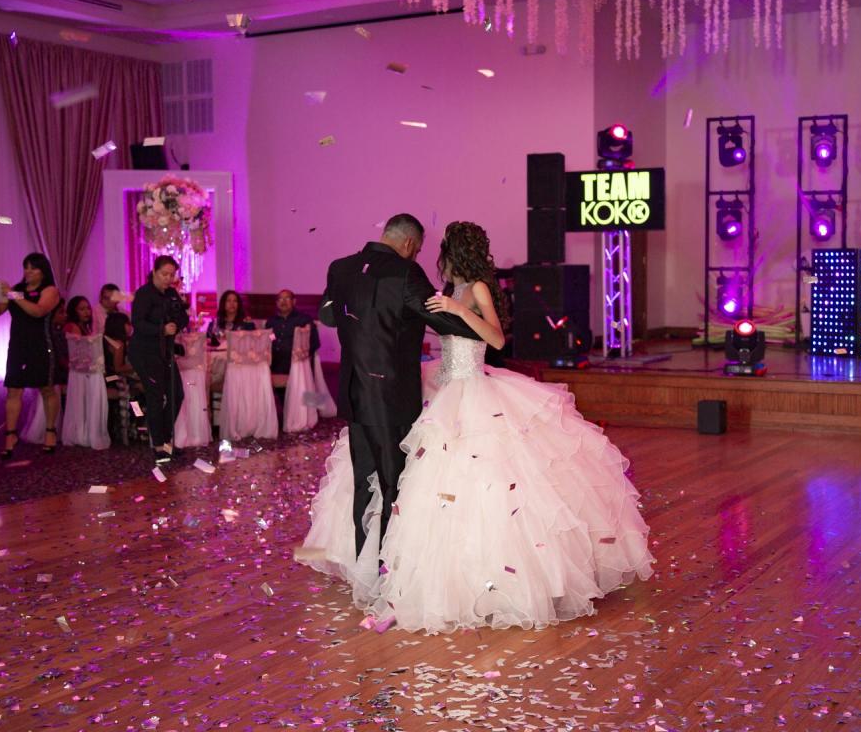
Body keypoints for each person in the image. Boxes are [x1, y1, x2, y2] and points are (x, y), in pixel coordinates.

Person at [297, 221, 654, 634]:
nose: (435, 259)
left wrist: (458, 311)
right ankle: (403, 572)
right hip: (443, 387)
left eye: (442, 252)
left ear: (454, 253)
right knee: (415, 481)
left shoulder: (478, 289)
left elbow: (497, 341)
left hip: (473, 391)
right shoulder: (443, 290)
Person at [307, 213, 483, 563]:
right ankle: (385, 568)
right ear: (409, 244)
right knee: (393, 484)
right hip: (392, 398)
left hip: (354, 392)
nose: (416, 256)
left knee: (363, 482)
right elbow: (437, 317)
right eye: (417, 250)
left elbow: (327, 316)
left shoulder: (340, 268)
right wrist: (480, 330)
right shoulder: (406, 272)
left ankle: (364, 561)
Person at [0, 252, 62, 458]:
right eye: (26, 267)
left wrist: (13, 294)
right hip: (18, 345)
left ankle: (50, 431)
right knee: (13, 390)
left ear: (43, 271)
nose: (28, 271)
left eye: (33, 268)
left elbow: (38, 311)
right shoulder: (17, 289)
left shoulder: (50, 290)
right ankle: (10, 435)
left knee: (47, 389)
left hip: (42, 345)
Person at [128, 255, 190, 463]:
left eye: (171, 275)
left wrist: (175, 324)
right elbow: (137, 323)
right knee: (156, 396)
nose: (168, 278)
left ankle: (165, 439)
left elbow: (183, 317)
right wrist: (161, 329)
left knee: (177, 394)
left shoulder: (171, 293)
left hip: (165, 351)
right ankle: (159, 444)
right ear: (154, 272)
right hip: (145, 351)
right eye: (164, 274)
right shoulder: (144, 294)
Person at [265, 289, 315, 378]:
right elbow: (270, 336)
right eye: (280, 299)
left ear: (294, 301)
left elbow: (313, 342)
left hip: (297, 362)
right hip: (275, 359)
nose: (283, 302)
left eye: (287, 298)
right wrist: (274, 341)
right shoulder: (271, 321)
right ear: (277, 303)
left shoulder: (304, 319)